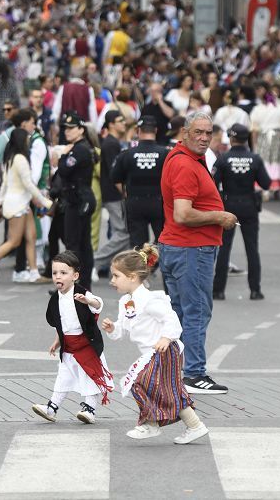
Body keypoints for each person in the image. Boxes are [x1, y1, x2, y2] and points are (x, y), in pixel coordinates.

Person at [159, 111, 237, 395]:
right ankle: (193, 374)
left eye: (208, 132)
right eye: (198, 132)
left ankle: (176, 371)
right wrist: (220, 217)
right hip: (190, 249)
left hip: (182, 247)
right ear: (184, 133)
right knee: (196, 312)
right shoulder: (184, 164)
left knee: (180, 314)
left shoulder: (186, 158)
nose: (204, 137)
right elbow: (183, 214)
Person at [102, 244, 209, 444]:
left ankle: (150, 424)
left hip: (166, 350)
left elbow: (172, 319)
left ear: (132, 277)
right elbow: (123, 329)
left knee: (138, 382)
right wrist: (112, 329)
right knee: (170, 391)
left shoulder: (150, 300)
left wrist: (166, 338)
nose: (112, 281)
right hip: (152, 353)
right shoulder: (126, 301)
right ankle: (195, 426)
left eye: (116, 276)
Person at [31, 251, 113, 425]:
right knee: (63, 378)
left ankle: (90, 410)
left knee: (89, 377)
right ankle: (51, 408)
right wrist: (57, 341)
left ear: (75, 276)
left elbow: (98, 304)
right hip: (68, 347)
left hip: (86, 345)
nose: (57, 277)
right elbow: (61, 325)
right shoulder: (55, 298)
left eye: (63, 273)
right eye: (54, 273)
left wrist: (88, 301)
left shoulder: (81, 293)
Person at [0, 128, 53, 283]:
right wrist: (44, 201)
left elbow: (5, 184)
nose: (29, 140)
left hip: (20, 204)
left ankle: (33, 273)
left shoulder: (11, 158)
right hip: (18, 204)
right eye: (27, 137)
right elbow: (29, 184)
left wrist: (0, 201)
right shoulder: (20, 159)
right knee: (14, 241)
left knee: (31, 237)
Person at [213, 124, 271, 300]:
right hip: (249, 205)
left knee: (224, 248)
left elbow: (212, 183)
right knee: (252, 248)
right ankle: (255, 290)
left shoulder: (223, 159)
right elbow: (266, 183)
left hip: (228, 205)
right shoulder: (255, 159)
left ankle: (219, 290)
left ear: (231, 138)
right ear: (247, 139)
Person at [54, 112, 98, 289]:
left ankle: (73, 284)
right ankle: (82, 284)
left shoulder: (78, 149)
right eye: (65, 128)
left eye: (71, 128)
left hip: (78, 200)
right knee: (82, 244)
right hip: (80, 198)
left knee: (74, 244)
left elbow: (64, 170)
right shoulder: (81, 147)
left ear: (81, 129)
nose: (67, 131)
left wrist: (63, 156)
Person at [112, 116, 168, 248]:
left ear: (138, 131)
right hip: (158, 203)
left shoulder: (127, 154)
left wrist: (126, 193)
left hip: (135, 203)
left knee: (138, 245)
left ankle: (143, 267)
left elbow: (115, 178)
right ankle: (158, 265)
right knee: (165, 241)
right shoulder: (165, 153)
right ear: (156, 130)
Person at [93, 110, 130, 278]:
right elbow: (115, 173)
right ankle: (94, 261)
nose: (123, 123)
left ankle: (116, 269)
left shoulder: (113, 142)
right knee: (122, 233)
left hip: (114, 194)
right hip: (114, 195)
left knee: (121, 234)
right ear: (111, 124)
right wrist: (124, 192)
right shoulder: (110, 144)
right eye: (120, 120)